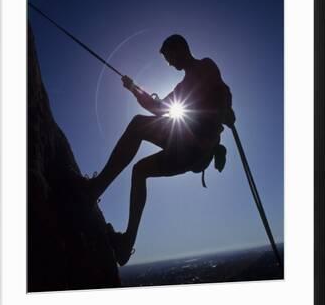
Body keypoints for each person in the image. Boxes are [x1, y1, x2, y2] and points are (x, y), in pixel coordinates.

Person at [88, 34, 234, 266]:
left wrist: (224, 108)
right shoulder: (183, 85)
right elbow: (158, 108)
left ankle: (96, 188)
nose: (169, 63)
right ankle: (126, 244)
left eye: (169, 57)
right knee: (140, 170)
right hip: (189, 150)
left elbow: (220, 92)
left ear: (180, 49)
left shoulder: (205, 66)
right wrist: (134, 88)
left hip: (193, 146)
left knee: (137, 125)